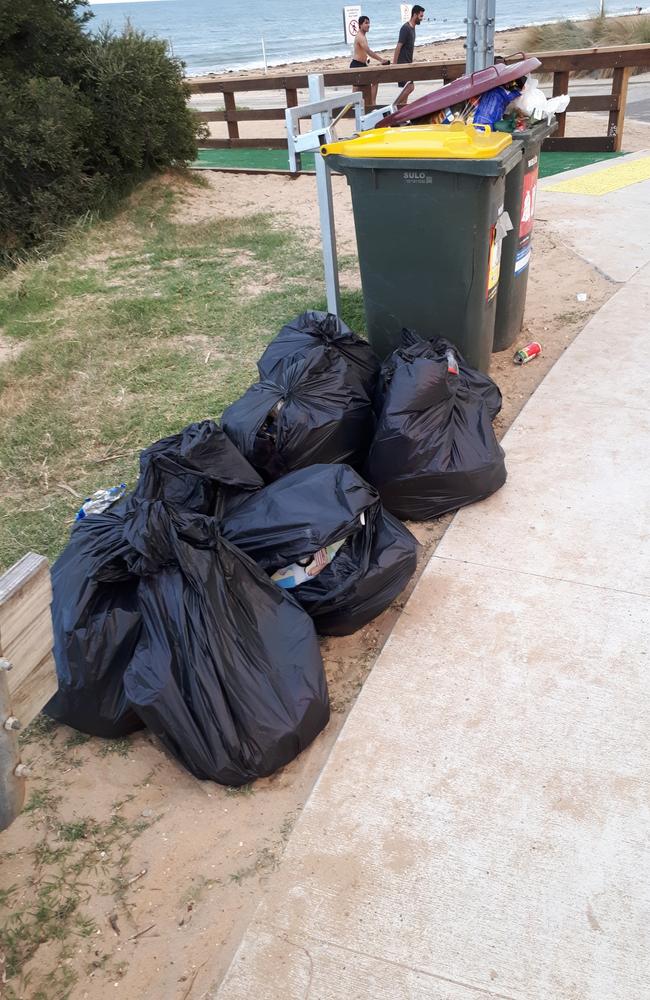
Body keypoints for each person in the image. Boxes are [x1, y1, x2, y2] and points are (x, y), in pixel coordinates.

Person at [350, 15, 390, 107]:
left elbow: (364, 52)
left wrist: (367, 60)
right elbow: (368, 50)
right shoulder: (360, 36)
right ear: (360, 25)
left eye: (369, 23)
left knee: (372, 82)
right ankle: (370, 104)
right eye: (366, 23)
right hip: (356, 65)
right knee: (357, 91)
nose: (368, 25)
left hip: (362, 65)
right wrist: (381, 60)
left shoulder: (363, 35)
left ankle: (371, 104)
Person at [393, 5, 426, 106]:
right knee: (410, 87)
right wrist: (394, 64)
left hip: (408, 63)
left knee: (406, 92)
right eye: (420, 16)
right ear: (415, 14)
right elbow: (398, 46)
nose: (422, 18)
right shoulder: (405, 28)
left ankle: (401, 116)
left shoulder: (412, 28)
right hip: (402, 64)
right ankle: (393, 107)